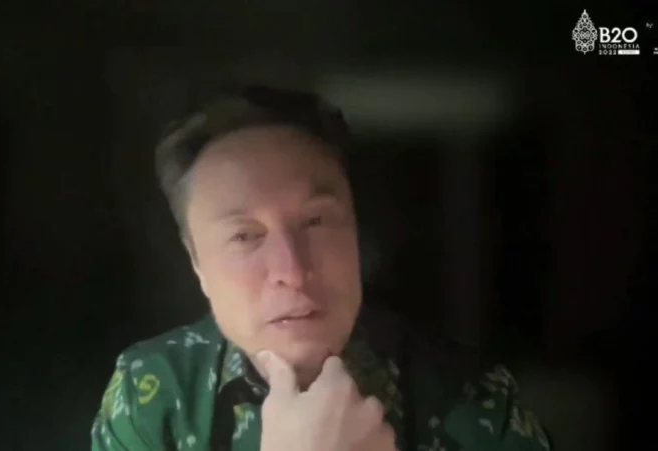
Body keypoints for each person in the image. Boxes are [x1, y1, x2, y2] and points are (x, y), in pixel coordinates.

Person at [90, 85, 551, 451]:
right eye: (244, 236)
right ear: (197, 263)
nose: (292, 271)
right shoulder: (153, 395)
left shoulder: (475, 399)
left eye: (314, 222)